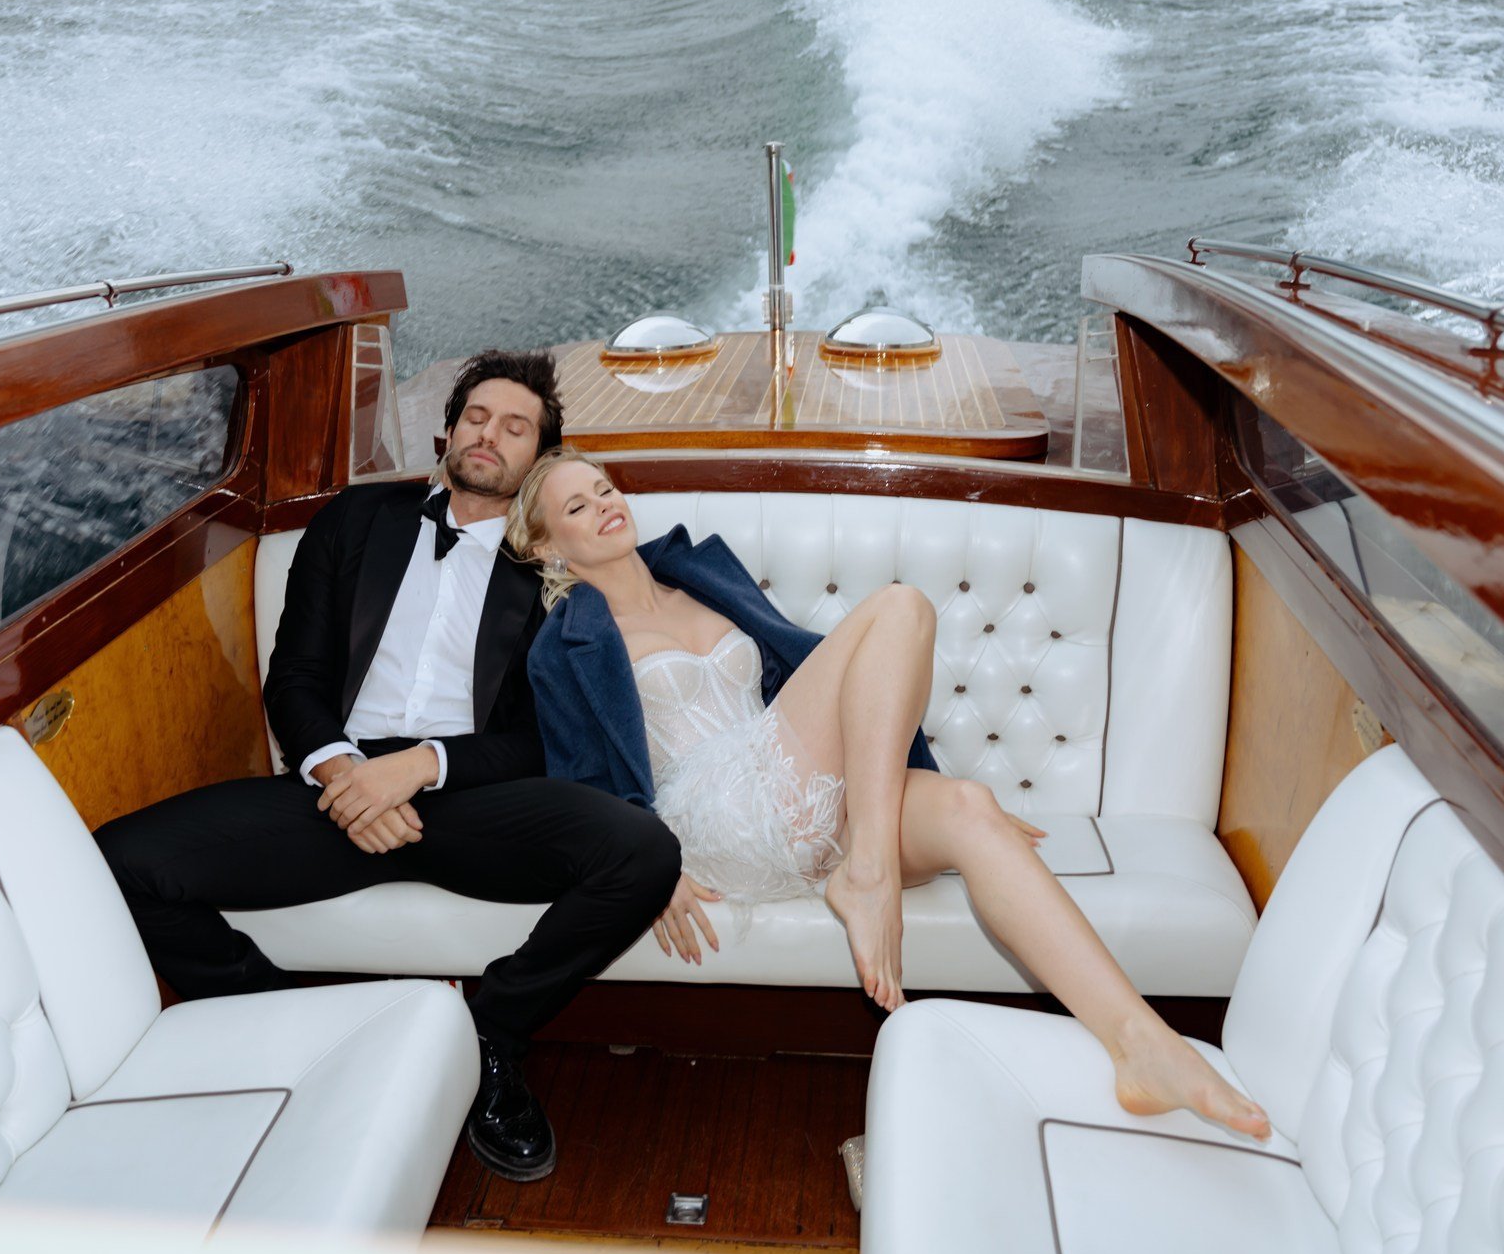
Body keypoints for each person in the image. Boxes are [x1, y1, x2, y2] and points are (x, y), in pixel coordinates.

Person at [509, 448, 1271, 1139]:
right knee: (902, 604)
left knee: (970, 810)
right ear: (547, 546)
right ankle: (869, 872)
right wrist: (647, 870)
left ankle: (1141, 1044)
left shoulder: (696, 571)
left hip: (793, 782)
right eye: (576, 506)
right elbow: (576, 782)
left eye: (606, 487)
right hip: (708, 816)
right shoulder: (564, 640)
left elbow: (817, 685)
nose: (605, 503)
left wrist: (920, 786)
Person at [93, 355, 681, 1184]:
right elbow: (293, 674)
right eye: (478, 415)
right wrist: (342, 775)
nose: (490, 434)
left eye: (516, 427)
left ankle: (491, 1040)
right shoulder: (356, 518)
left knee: (643, 851)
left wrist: (419, 768)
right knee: (118, 862)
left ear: (539, 455)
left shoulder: (546, 562)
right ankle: (294, 1026)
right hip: (330, 788)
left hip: (472, 798)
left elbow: (537, 737)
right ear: (449, 429)